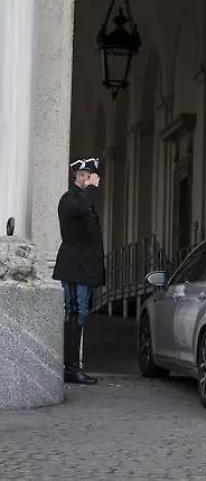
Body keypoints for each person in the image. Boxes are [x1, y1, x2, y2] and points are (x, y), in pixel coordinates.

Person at [52, 158, 104, 385]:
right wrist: (91, 188)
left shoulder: (84, 200)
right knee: (74, 313)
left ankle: (73, 366)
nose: (92, 179)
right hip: (74, 268)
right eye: (88, 175)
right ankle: (70, 368)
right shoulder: (70, 199)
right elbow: (81, 207)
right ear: (80, 176)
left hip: (85, 269)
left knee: (80, 314)